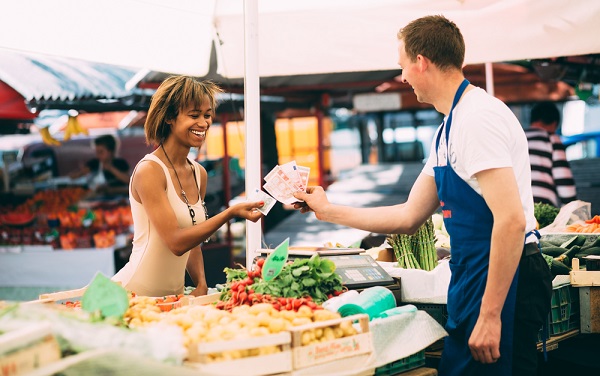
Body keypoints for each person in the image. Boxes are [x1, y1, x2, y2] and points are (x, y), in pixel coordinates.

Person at [294, 15, 552, 376]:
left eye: (402, 66)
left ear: (421, 61)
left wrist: (490, 316)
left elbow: (511, 220)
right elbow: (408, 216)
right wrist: (327, 210)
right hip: (472, 277)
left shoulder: (477, 119)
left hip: (505, 281)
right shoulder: (448, 128)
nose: (402, 77)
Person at [112, 75, 264, 297]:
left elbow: (193, 239)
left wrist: (201, 283)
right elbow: (176, 242)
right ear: (169, 118)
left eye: (207, 115)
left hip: (174, 296)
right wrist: (229, 213)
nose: (203, 123)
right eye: (194, 115)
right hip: (134, 294)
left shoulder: (198, 173)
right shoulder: (150, 171)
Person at [525, 101, 577, 207]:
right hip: (542, 208)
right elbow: (564, 182)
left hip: (516, 208)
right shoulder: (551, 139)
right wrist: (571, 212)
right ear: (554, 123)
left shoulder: (518, 138)